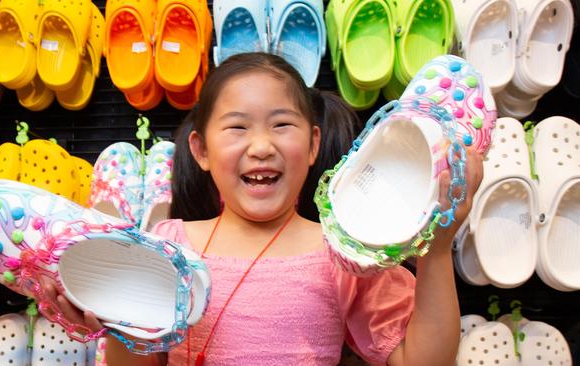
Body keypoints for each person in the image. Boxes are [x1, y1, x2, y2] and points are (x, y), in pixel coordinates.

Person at [47, 52, 483, 366]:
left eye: (282, 125)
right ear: (200, 149)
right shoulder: (165, 246)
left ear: (313, 144)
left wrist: (438, 250)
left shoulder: (346, 255)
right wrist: (122, 320)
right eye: (237, 127)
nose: (261, 146)